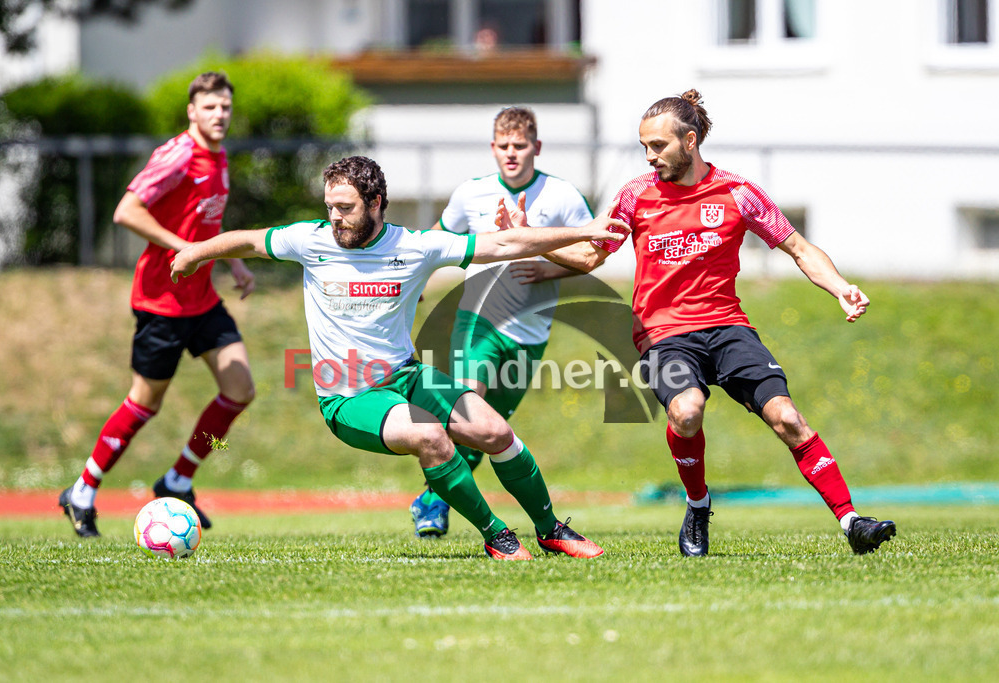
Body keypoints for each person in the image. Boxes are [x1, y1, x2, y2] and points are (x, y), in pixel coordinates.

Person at [170, 155, 626, 560]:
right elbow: (247, 241)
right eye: (329, 207)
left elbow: (503, 245)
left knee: (495, 431)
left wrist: (584, 230)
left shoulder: (414, 246)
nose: (335, 219)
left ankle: (551, 531)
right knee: (431, 437)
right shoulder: (309, 241)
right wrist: (194, 253)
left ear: (376, 202)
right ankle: (496, 534)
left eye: (345, 208)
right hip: (349, 397)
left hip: (405, 376)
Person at [517, 89, 897, 556]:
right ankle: (698, 504)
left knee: (788, 418)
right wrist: (531, 239)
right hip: (663, 333)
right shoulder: (636, 195)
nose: (650, 157)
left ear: (690, 141)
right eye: (645, 147)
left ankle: (852, 522)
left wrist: (840, 286)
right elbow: (589, 255)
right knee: (687, 411)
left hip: (727, 327)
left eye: (658, 146)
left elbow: (798, 248)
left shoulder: (737, 192)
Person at [58, 72, 255, 537]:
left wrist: (229, 263)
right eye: (210, 107)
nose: (219, 115)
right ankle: (82, 490)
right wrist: (180, 249)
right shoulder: (179, 154)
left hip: (202, 299)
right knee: (145, 403)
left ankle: (179, 478)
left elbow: (206, 220)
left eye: (225, 107)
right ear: (192, 111)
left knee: (240, 390)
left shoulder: (219, 155)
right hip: (162, 301)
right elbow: (126, 211)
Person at [409, 106, 594, 538]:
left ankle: (430, 496)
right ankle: (438, 505)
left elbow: (593, 253)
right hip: (479, 322)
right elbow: (438, 237)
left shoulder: (562, 195)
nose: (512, 153)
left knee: (485, 430)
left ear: (537, 147)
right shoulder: (470, 194)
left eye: (520, 145)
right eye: (504, 146)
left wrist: (550, 267)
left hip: (531, 334)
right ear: (493, 148)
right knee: (468, 403)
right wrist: (418, 280)